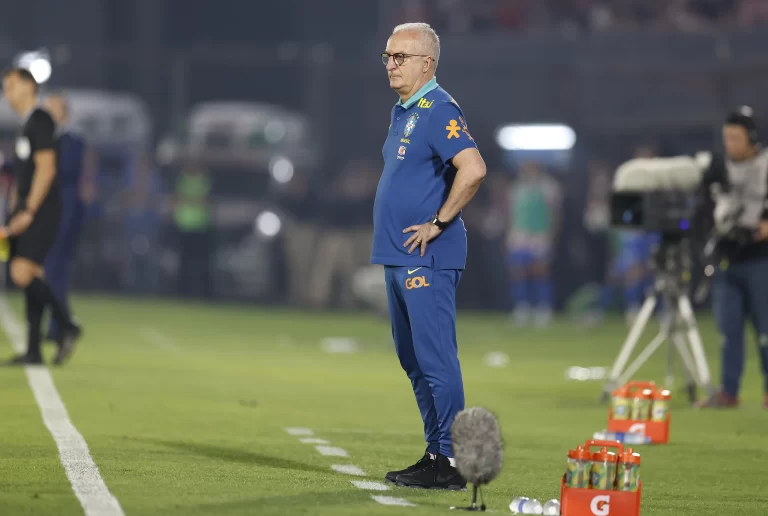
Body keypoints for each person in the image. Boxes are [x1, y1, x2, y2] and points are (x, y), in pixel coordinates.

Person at [373, 23, 487, 490]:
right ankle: (436, 453)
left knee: (436, 360)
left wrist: (438, 223)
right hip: (399, 256)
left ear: (428, 64)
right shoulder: (405, 110)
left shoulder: (439, 108)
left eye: (401, 57)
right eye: (388, 56)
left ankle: (454, 461)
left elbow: (474, 168)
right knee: (413, 360)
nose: (392, 65)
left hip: (428, 258)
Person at [1, 67, 81, 365]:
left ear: (28, 86)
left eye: (10, 85)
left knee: (20, 273)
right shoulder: (28, 125)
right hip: (26, 210)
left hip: (41, 211)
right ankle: (34, 350)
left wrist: (29, 211)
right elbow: (23, 175)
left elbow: (47, 169)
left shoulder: (40, 120)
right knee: (31, 275)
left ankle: (67, 325)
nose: (6, 91)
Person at [697, 106, 768, 409]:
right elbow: (702, 205)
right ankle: (728, 392)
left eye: (736, 138)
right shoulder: (716, 165)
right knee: (728, 329)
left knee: (766, 330)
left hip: (760, 257)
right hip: (726, 256)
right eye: (727, 138)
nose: (730, 145)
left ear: (752, 138)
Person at [42, 93, 87, 344]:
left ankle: (61, 324)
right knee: (53, 271)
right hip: (54, 211)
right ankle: (61, 323)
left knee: (55, 269)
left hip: (63, 213)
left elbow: (65, 173)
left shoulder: (71, 141)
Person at [506, 161, 562, 328]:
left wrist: (552, 235)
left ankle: (543, 308)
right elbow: (511, 212)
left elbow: (556, 213)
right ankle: (522, 307)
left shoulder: (549, 187)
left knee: (540, 271)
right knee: (519, 272)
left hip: (540, 234)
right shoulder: (516, 188)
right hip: (520, 233)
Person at [173, 161, 213, 299]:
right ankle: (182, 292)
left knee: (200, 262)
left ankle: (201, 292)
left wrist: (188, 199)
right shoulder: (183, 180)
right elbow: (178, 199)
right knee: (184, 263)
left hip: (200, 225)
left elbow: (205, 200)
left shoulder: (203, 180)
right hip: (184, 225)